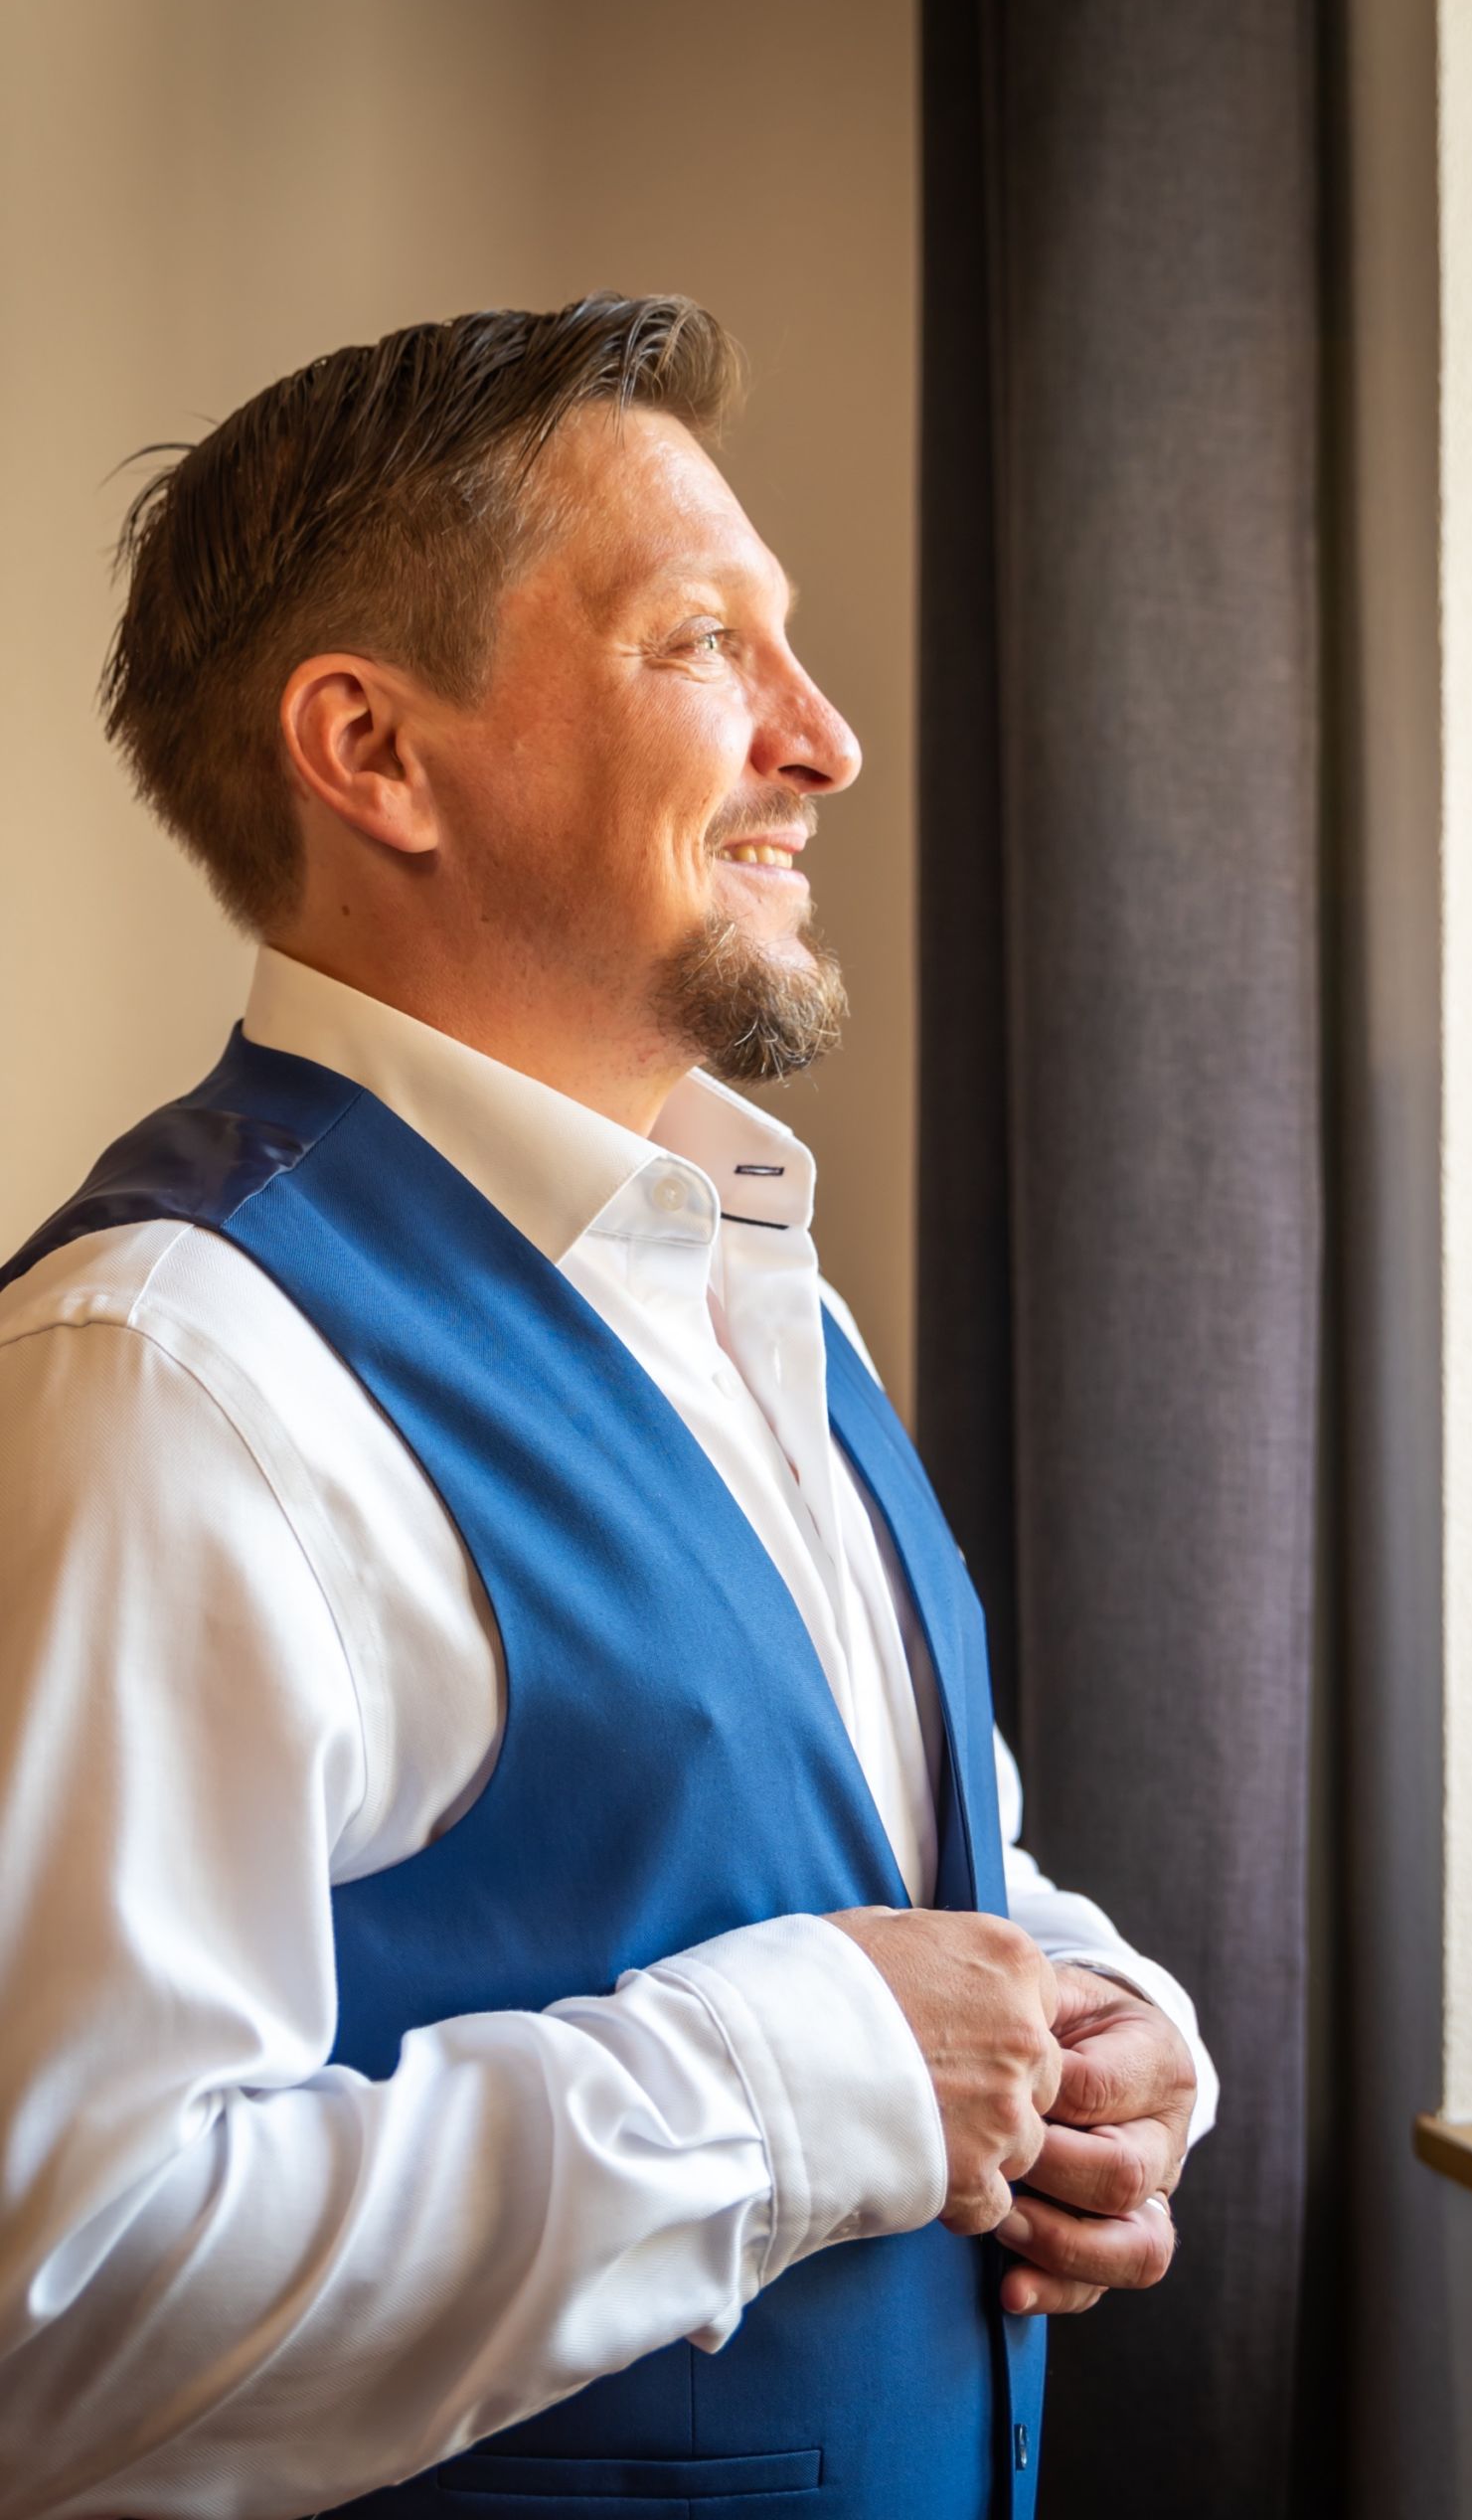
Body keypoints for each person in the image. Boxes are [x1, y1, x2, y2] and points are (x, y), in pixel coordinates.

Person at [0, 298, 1216, 2520]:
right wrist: (815, 2070)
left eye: (797, 643)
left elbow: (860, 1868)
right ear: (374, 752)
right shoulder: (170, 1368)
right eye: (700, 642)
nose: (824, 738)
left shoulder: (759, 1283)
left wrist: (1101, 2020)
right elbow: (58, 2312)